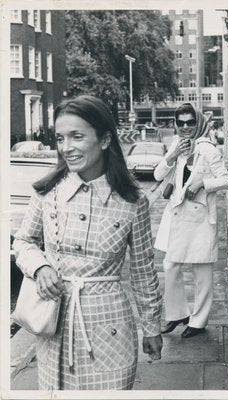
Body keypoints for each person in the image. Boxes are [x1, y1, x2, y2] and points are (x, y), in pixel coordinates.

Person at [13, 95, 162, 390]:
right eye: (60, 138)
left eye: (77, 136)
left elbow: (144, 270)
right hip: (54, 325)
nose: (66, 147)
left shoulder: (133, 202)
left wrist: (152, 327)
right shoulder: (47, 192)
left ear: (105, 139)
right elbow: (24, 241)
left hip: (111, 329)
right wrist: (40, 267)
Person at [154, 103, 228, 339]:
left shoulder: (208, 149)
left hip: (199, 218)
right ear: (176, 124)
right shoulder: (177, 145)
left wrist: (202, 184)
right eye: (181, 123)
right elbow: (158, 175)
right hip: (178, 215)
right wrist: (173, 154)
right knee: (170, 265)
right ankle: (177, 314)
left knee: (201, 271)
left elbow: (226, 179)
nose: (186, 127)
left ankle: (198, 321)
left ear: (198, 122)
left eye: (190, 122)